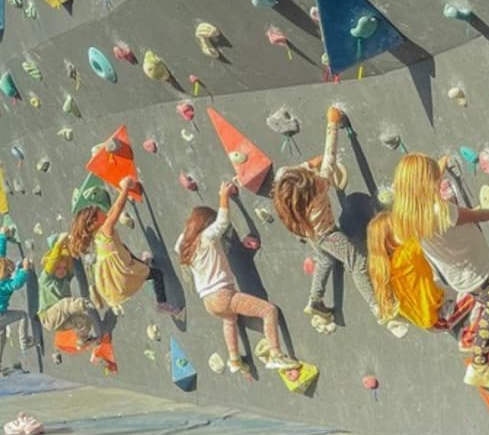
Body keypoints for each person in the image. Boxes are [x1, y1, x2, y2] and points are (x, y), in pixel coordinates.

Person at [273, 108, 405, 336]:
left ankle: (315, 299)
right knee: (357, 262)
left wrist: (309, 164)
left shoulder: (284, 187)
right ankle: (378, 308)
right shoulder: (320, 185)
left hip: (307, 230)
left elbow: (294, 173)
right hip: (328, 234)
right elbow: (331, 156)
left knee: (324, 260)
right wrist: (332, 123)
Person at [391, 153, 489, 390]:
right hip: (477, 271)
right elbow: (479, 215)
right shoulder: (440, 211)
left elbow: (420, 191)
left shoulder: (406, 216)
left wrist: (440, 167)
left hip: (462, 274)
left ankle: (479, 363)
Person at [177, 181, 298, 374]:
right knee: (268, 311)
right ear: (206, 225)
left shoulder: (184, 246)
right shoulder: (207, 238)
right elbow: (223, 221)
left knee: (229, 320)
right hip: (223, 295)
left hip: (208, 302)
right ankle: (276, 354)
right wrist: (224, 195)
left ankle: (234, 360)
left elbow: (187, 236)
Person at [67, 177, 175, 317]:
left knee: (125, 251)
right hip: (124, 274)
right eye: (98, 212)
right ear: (93, 222)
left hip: (121, 263)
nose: (101, 211)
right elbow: (118, 209)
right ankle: (162, 304)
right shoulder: (106, 230)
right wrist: (125, 188)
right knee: (157, 274)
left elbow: (111, 212)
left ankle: (143, 264)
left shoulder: (98, 235)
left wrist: (122, 193)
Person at [366, 210, 445, 330]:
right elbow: (425, 229)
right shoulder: (406, 255)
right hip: (439, 311)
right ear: (389, 240)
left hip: (423, 319)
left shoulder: (384, 267)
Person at [0, 227, 34, 378]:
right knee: (22, 315)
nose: (10, 274)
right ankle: (25, 341)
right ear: (2, 272)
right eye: (8, 272)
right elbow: (16, 284)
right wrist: (25, 270)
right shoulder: (3, 284)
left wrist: (2, 235)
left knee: (0, 340)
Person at [37, 232, 102, 348]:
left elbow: (70, 261)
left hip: (62, 320)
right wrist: (59, 243)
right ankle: (88, 303)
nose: (61, 271)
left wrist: (71, 245)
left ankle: (84, 340)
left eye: (63, 268)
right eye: (58, 268)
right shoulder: (45, 278)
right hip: (48, 317)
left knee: (85, 320)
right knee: (66, 303)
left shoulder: (66, 277)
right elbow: (52, 261)